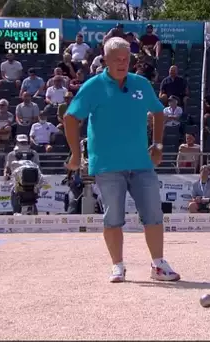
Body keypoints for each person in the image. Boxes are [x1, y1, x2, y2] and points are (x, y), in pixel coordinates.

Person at [64, 37, 180, 283]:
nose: (122, 63)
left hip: (141, 162)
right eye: (117, 59)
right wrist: (76, 153)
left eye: (126, 59)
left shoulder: (141, 84)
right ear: (104, 59)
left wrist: (158, 145)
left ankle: (158, 265)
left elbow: (159, 112)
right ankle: (117, 265)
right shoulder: (93, 86)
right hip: (107, 165)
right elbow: (71, 118)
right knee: (113, 217)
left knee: (153, 213)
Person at [3, 134, 40, 214]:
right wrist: (6, 174)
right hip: (17, 183)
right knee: (16, 201)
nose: (23, 144)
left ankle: (35, 218)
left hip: (32, 184)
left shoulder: (34, 153)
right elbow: (7, 167)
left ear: (28, 142)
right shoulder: (11, 154)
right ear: (16, 142)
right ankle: (16, 214)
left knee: (33, 202)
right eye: (21, 142)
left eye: (25, 142)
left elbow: (38, 167)